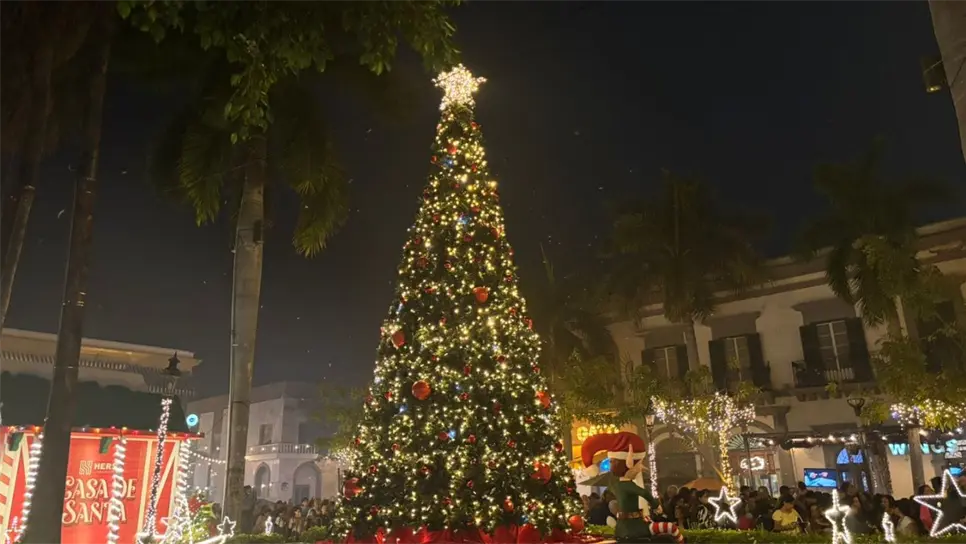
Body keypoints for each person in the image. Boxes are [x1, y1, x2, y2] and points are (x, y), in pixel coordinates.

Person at [578, 432, 685, 543]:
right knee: (671, 528)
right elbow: (644, 493)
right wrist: (656, 506)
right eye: (638, 464)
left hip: (624, 527)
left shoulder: (617, 485)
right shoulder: (627, 485)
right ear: (629, 463)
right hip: (635, 528)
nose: (640, 468)